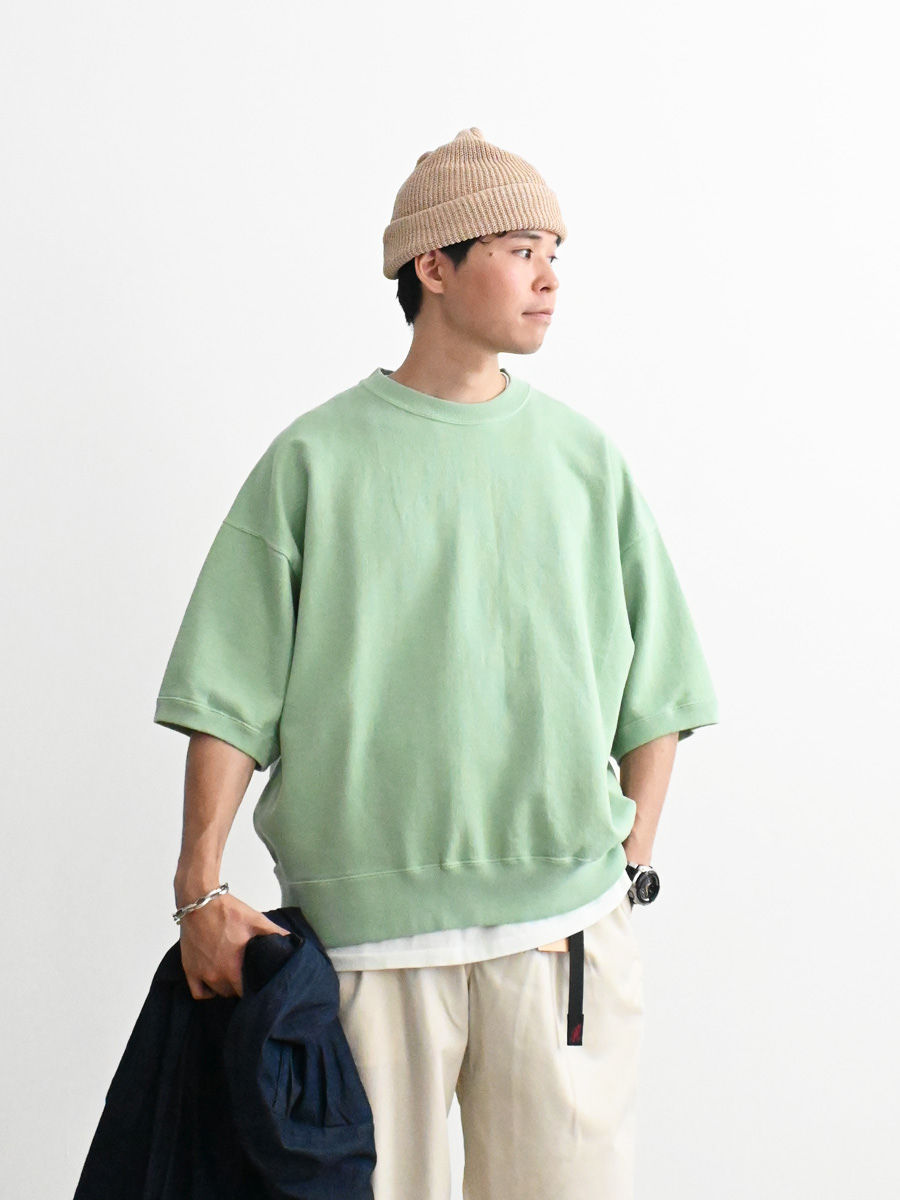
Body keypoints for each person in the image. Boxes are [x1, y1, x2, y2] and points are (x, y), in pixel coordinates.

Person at [155, 127, 719, 1200]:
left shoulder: (584, 462)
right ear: (434, 266)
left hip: (562, 941)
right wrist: (198, 891)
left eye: (555, 251)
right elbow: (226, 696)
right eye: (520, 248)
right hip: (366, 950)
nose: (549, 277)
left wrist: (627, 865)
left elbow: (663, 690)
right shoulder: (315, 461)